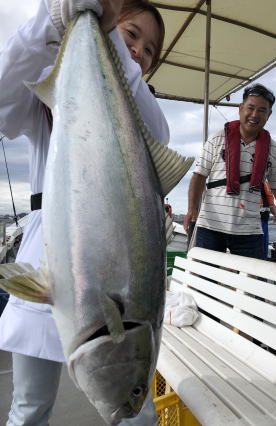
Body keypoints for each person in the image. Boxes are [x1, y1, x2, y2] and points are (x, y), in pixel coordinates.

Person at [0, 1, 169, 425]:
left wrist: (109, 31)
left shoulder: (148, 124)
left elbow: (156, 129)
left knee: (138, 418)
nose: (138, 53)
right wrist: (55, 16)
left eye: (149, 51)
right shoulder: (50, 106)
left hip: (87, 294)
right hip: (48, 272)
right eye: (133, 35)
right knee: (30, 408)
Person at [184, 83, 276, 259]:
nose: (255, 115)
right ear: (240, 109)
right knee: (203, 280)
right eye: (250, 108)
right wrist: (192, 209)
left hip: (250, 232)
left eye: (262, 110)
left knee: (254, 281)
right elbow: (199, 176)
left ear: (269, 115)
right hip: (210, 227)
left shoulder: (274, 150)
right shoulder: (216, 139)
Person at [260, 180, 276, 259]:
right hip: (254, 220)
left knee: (263, 247)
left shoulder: (265, 182)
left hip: (263, 220)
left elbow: (270, 202)